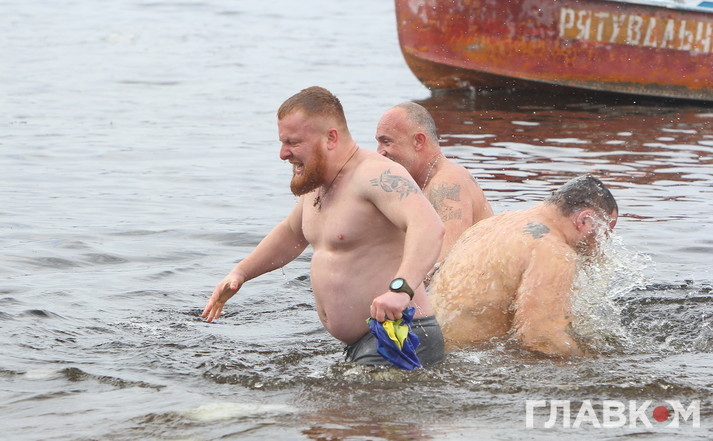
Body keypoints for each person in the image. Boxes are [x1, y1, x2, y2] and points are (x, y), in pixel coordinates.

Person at [201, 86, 446, 367]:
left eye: (293, 142)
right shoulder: (318, 182)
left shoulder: (376, 174)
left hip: (401, 334)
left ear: (331, 137)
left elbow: (429, 226)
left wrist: (400, 290)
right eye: (282, 142)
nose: (283, 154)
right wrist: (240, 273)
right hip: (365, 342)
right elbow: (292, 233)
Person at [428, 175, 618, 357]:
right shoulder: (553, 251)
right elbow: (542, 339)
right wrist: (592, 359)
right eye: (604, 233)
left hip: (434, 345)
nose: (599, 247)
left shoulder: (493, 224)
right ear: (584, 220)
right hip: (468, 361)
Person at [375, 102, 493, 265]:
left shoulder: (447, 182)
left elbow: (445, 261)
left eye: (386, 142)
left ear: (418, 141)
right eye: (378, 143)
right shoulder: (416, 185)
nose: (379, 152)